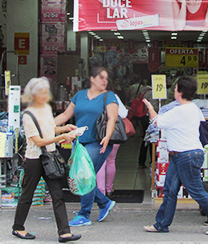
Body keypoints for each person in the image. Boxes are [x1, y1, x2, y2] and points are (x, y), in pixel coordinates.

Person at [141, 76, 208, 235]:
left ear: (180, 92)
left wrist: (149, 106)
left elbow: (157, 122)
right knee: (170, 190)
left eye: (175, 89)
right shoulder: (194, 108)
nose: (173, 91)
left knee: (196, 190)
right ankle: (161, 224)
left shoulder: (179, 110)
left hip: (185, 155)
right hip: (182, 155)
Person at [12, 77, 81, 242]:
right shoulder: (28, 115)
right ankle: (18, 227)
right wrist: (61, 137)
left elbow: (49, 130)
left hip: (49, 157)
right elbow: (38, 141)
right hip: (34, 160)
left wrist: (65, 129)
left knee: (58, 195)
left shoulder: (46, 110)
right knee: (27, 195)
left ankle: (64, 232)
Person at [56, 67, 118, 227]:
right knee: (83, 176)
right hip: (79, 142)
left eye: (106, 78)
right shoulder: (79, 95)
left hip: (98, 142)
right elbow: (65, 115)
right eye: (101, 77)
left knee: (84, 176)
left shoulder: (109, 96)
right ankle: (104, 203)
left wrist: (107, 136)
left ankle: (84, 214)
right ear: (92, 79)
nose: (105, 81)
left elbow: (112, 118)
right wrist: (42, 123)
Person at [96, 86, 129, 196]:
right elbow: (124, 114)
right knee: (111, 160)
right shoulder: (113, 97)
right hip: (114, 133)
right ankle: (109, 189)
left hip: (98, 133)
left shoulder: (92, 97)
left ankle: (101, 191)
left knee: (101, 162)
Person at [127, 76, 156, 169]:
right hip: (150, 117)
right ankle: (153, 161)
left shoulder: (143, 90)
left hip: (143, 116)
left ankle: (141, 162)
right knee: (153, 140)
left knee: (145, 139)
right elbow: (155, 106)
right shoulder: (153, 92)